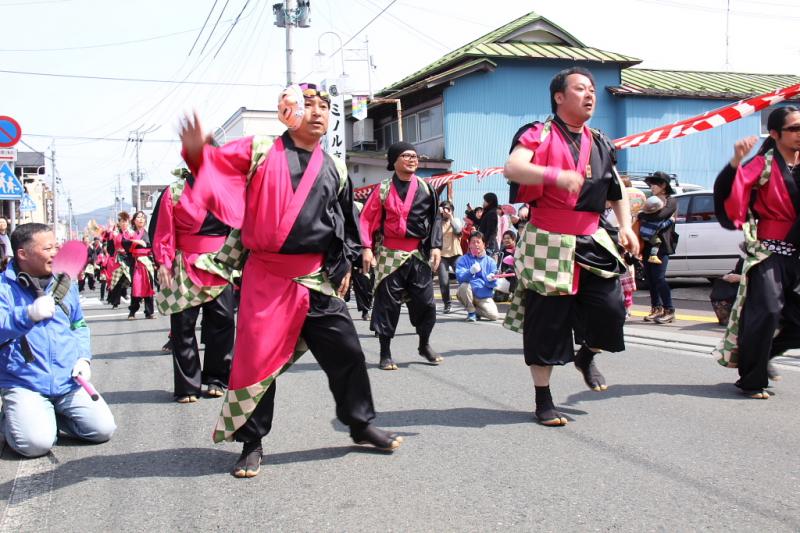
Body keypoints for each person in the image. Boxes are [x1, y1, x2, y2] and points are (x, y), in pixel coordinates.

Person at [179, 82, 402, 478]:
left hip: (315, 277)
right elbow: (213, 169)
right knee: (256, 362)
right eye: (310, 105)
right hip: (267, 275)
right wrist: (198, 152)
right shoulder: (260, 150)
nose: (319, 113)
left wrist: (346, 262)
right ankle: (252, 441)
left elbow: (345, 222)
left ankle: (360, 422)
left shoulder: (334, 166)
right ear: (288, 110)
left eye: (326, 107)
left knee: (347, 351)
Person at [503, 66, 638, 426]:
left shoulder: (601, 141)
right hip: (547, 236)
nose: (590, 94)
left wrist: (625, 226)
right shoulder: (538, 133)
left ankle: (586, 355)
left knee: (612, 312)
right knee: (546, 324)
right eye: (580, 89)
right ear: (560, 97)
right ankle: (543, 400)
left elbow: (615, 189)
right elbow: (513, 168)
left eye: (592, 89)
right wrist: (555, 175)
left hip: (592, 236)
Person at [0, 223, 116, 457]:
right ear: (22, 254)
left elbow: (79, 324)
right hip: (24, 382)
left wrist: (84, 358)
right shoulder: (3, 287)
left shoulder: (65, 283)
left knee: (103, 430)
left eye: (56, 246)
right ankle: (14, 419)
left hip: (68, 382)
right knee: (35, 445)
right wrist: (28, 315)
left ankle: (45, 417)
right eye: (48, 248)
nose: (55, 253)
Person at [713, 106, 800, 399]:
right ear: (775, 134)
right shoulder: (763, 164)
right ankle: (752, 379)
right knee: (768, 312)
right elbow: (735, 192)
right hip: (768, 253)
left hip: (797, 255)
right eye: (794, 129)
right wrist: (737, 160)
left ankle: (760, 358)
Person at [152, 168, 237, 403]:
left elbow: (238, 230)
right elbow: (163, 232)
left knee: (224, 323)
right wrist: (163, 262)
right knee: (182, 326)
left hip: (220, 264)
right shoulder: (174, 192)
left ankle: (217, 379)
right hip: (184, 264)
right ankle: (187, 385)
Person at [360, 141, 443, 371]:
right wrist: (366, 247)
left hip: (418, 254)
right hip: (389, 253)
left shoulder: (427, 189)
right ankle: (385, 353)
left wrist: (436, 246)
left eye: (415, 156)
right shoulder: (383, 189)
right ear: (394, 160)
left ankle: (424, 344)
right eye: (406, 155)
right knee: (387, 305)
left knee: (426, 303)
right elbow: (366, 219)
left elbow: (435, 219)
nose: (412, 159)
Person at [638, 172, 678, 324]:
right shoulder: (651, 200)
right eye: (651, 184)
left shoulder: (671, 201)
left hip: (662, 245)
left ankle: (669, 310)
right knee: (650, 278)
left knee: (659, 278)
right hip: (648, 244)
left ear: (663, 186)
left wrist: (643, 215)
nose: (652, 187)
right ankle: (656, 308)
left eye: (655, 184)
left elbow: (661, 216)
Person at [455, 231, 499, 321]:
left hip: (483, 296)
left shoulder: (491, 261)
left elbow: (494, 284)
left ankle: (475, 310)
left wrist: (490, 279)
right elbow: (460, 278)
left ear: (484, 244)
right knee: (463, 286)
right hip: (468, 292)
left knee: (494, 316)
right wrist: (470, 271)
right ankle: (471, 312)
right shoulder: (463, 259)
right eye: (473, 242)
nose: (475, 245)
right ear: (469, 245)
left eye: (478, 242)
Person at [125, 211, 156, 319]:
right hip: (136, 262)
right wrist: (137, 241)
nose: (141, 219)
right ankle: (132, 311)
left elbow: (152, 244)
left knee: (149, 286)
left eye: (143, 217)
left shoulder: (148, 233)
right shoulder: (130, 233)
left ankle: (149, 311)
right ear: (134, 220)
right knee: (136, 287)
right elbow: (125, 243)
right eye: (138, 217)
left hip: (147, 262)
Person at [437, 200, 463, 314]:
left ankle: (469, 300)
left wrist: (451, 217)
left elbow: (458, 231)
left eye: (449, 209)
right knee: (443, 281)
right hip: (442, 255)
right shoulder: (437, 222)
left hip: (455, 253)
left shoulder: (456, 220)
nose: (446, 211)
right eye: (444, 209)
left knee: (463, 277)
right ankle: (447, 303)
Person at [106, 212, 134, 309]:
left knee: (131, 280)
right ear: (119, 223)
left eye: (125, 221)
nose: (124, 223)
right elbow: (110, 247)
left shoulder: (132, 233)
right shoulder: (115, 234)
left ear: (128, 222)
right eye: (122, 221)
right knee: (117, 280)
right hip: (117, 259)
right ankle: (115, 302)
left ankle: (135, 300)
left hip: (129, 258)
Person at [638, 196, 674, 265]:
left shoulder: (643, 215)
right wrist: (670, 221)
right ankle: (653, 256)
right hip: (650, 236)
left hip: (642, 233)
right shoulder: (657, 220)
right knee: (657, 242)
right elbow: (662, 226)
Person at [494, 229, 517, 302]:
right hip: (502, 277)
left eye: (508, 238)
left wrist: (507, 272)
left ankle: (513, 293)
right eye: (504, 238)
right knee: (498, 299)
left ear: (513, 240)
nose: (506, 240)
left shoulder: (517, 251)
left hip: (512, 277)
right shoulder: (502, 251)